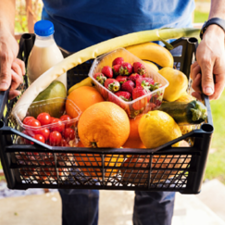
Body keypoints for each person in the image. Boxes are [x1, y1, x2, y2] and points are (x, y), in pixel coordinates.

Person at [0, 0, 225, 224]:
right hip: (68, 51)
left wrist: (217, 26)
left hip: (164, 47)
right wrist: (3, 31)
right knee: (75, 177)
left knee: (157, 179)